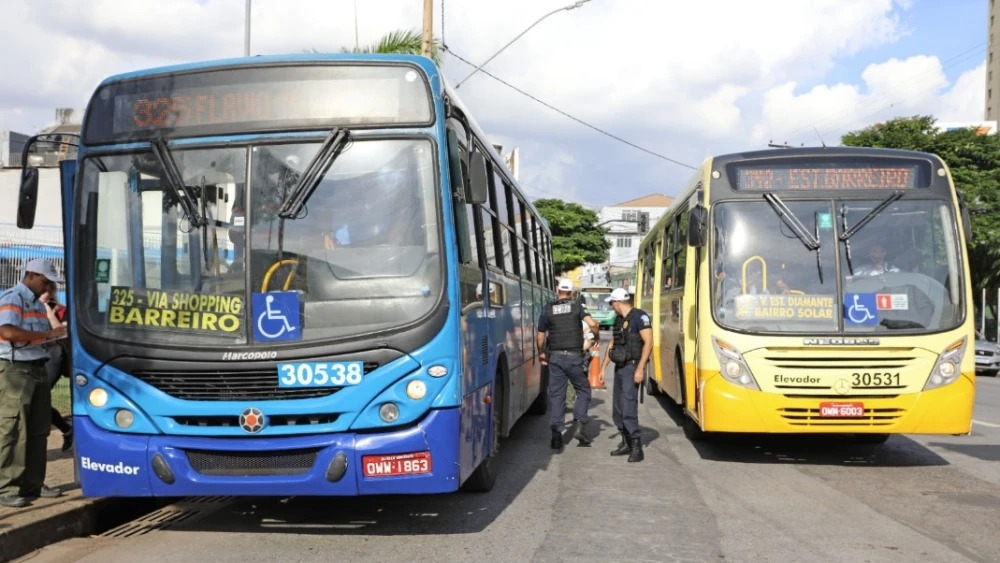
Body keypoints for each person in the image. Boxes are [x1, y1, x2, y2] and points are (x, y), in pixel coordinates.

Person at [0, 259, 68, 508]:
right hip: (15, 370)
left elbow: (34, 337)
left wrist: (52, 341)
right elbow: (6, 332)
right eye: (45, 281)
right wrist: (47, 335)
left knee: (39, 431)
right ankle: (7, 487)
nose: (48, 286)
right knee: (14, 429)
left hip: (37, 366)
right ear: (31, 275)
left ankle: (33, 484)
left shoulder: (38, 304)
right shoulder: (13, 298)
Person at [536, 278, 600, 450]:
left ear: (557, 291)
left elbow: (540, 336)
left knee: (557, 395)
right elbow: (593, 324)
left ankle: (556, 436)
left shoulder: (547, 309)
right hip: (574, 357)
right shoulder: (577, 306)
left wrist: (541, 353)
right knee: (583, 390)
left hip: (555, 358)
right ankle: (579, 424)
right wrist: (596, 337)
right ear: (571, 293)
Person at [599, 288, 653, 463]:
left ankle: (637, 448)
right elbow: (612, 344)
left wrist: (640, 369)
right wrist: (602, 368)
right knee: (618, 408)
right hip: (620, 368)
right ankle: (625, 442)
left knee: (628, 407)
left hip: (632, 367)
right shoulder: (619, 319)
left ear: (617, 302)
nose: (611, 306)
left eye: (611, 303)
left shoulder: (639, 317)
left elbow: (649, 343)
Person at [40, 281, 72, 452]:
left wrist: (48, 310)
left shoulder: (62, 310)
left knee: (40, 396)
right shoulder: (29, 309)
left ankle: (66, 429)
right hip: (34, 357)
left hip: (55, 356)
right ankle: (66, 429)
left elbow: (60, 331)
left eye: (45, 291)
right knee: (39, 399)